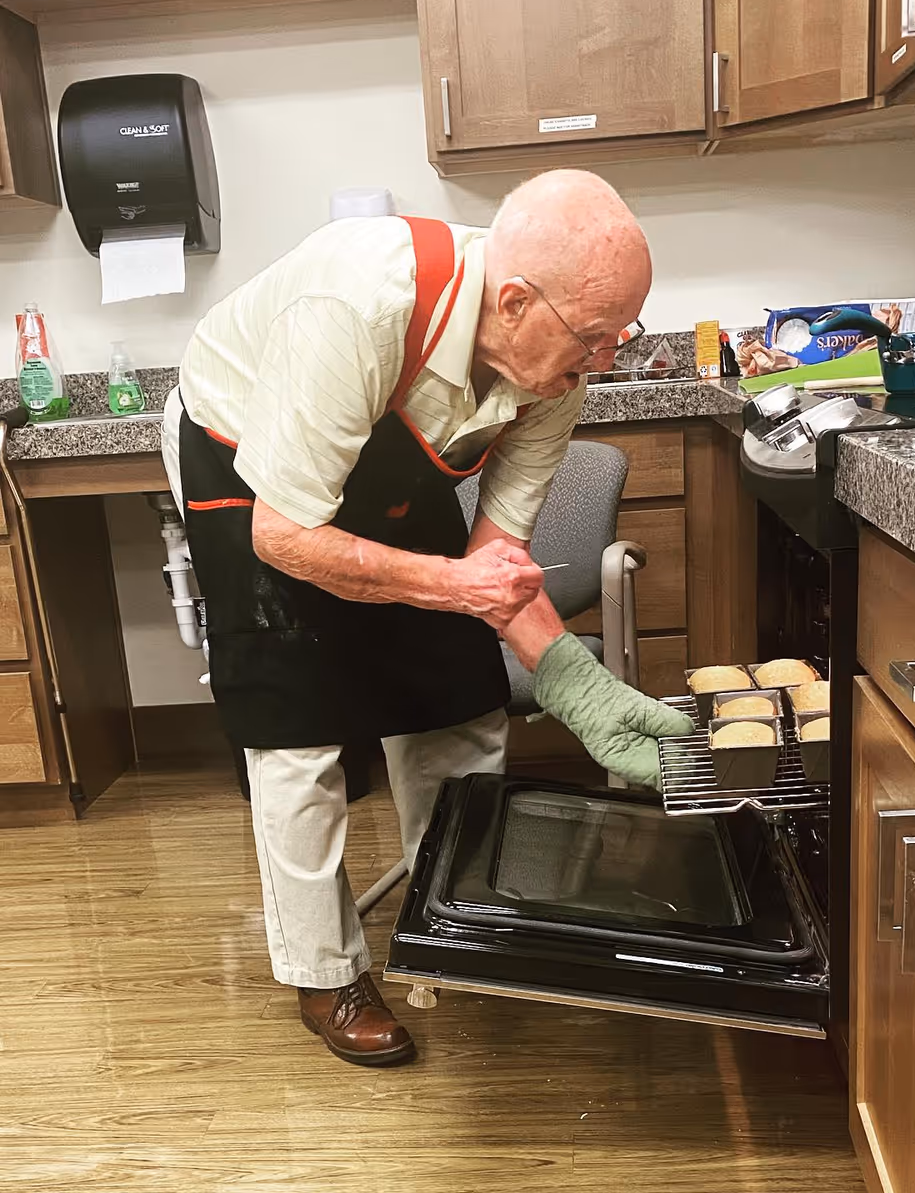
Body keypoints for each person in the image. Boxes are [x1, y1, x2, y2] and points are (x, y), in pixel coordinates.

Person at [160, 170, 694, 1067]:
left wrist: (573, 682)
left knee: (454, 685)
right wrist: (449, 589)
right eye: (593, 338)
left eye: (619, 337)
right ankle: (324, 973)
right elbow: (288, 534)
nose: (603, 362)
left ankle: (460, 909)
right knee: (297, 725)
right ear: (514, 300)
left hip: (377, 461)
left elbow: (494, 567)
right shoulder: (357, 307)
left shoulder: (552, 377)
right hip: (248, 463)